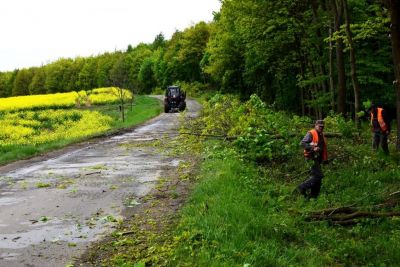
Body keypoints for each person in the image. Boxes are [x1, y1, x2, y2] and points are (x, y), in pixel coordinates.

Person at [296, 120, 328, 198]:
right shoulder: (311, 133)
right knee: (319, 176)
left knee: (317, 178)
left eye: (322, 126)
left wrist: (325, 159)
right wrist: (313, 148)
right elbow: (302, 143)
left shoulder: (321, 135)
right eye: (320, 126)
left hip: (318, 158)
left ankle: (313, 196)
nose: (321, 127)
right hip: (311, 157)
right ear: (315, 126)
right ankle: (302, 187)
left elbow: (323, 147)